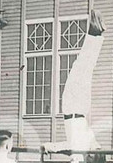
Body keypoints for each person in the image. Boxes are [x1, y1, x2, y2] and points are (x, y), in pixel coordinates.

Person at [43, 9, 105, 155]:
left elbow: (67, 147)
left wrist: (50, 148)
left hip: (76, 107)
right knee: (82, 67)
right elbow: (66, 146)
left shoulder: (81, 146)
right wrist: (48, 146)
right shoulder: (86, 143)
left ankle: (95, 34)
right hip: (75, 107)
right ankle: (95, 34)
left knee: (83, 67)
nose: (95, 148)